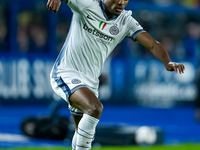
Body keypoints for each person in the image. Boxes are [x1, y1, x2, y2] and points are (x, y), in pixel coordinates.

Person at [46, 0, 185, 149]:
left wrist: (167, 62)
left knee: (81, 132)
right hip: (66, 72)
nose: (121, 2)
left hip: (90, 82)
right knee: (95, 108)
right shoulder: (87, 3)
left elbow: (152, 44)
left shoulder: (126, 21)